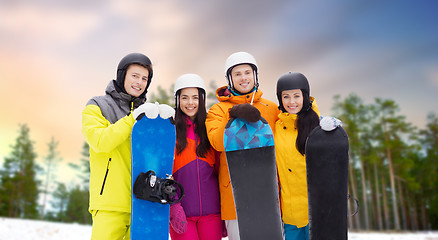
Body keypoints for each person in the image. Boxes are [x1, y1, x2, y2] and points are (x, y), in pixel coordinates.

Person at [205, 52, 280, 240]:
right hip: (235, 194)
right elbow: (216, 141)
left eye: (247, 72)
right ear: (230, 79)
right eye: (237, 74)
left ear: (255, 76)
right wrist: (233, 116)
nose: (243, 78)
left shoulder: (271, 108)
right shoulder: (218, 110)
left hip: (267, 193)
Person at [81, 53, 154, 240]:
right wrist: (132, 119)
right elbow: (100, 142)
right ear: (122, 75)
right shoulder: (97, 105)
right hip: (109, 204)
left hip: (142, 204)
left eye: (144, 78)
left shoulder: (148, 115)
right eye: (135, 76)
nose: (139, 82)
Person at [274, 72, 344, 240]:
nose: (292, 102)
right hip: (291, 213)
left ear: (305, 96)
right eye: (286, 97)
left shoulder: (319, 125)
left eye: (296, 96)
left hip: (318, 210)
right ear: (280, 99)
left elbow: (333, 164)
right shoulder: (277, 127)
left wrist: (335, 133)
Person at [169, 73, 223, 240]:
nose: (190, 103)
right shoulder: (171, 131)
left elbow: (221, 170)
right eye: (185, 98)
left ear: (202, 100)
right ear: (178, 100)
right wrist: (173, 205)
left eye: (195, 98)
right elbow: (164, 173)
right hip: (182, 213)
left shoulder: (210, 129)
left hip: (212, 213)